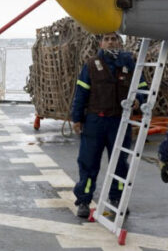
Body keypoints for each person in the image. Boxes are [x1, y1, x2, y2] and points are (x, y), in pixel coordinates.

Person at [71, 32, 147, 218]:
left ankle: (116, 198)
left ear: (119, 42)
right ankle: (84, 200)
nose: (111, 41)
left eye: (114, 39)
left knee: (120, 164)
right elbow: (81, 93)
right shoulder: (90, 65)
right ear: (101, 43)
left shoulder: (130, 63)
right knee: (88, 163)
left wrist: (138, 99)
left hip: (120, 122)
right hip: (95, 122)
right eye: (107, 39)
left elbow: (143, 88)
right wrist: (77, 118)